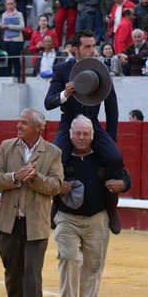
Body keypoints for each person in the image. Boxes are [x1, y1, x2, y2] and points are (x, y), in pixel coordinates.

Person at [0, 108, 62, 297]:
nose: (18, 126)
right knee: (12, 271)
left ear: (38, 127)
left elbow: (57, 186)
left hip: (36, 223)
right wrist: (14, 177)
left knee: (31, 273)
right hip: (9, 222)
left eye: (24, 123)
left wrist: (35, 178)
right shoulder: (6, 146)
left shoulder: (53, 152)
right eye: (18, 122)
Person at [44, 30, 124, 233]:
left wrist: (111, 138)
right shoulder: (62, 69)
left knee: (115, 158)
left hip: (92, 124)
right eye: (87, 46)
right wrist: (65, 93)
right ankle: (56, 202)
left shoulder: (101, 70)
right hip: (68, 122)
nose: (92, 50)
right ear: (74, 49)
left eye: (93, 45)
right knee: (54, 159)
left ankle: (111, 207)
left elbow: (112, 107)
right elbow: (48, 102)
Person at [53, 115, 129, 297]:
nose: (81, 137)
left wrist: (122, 185)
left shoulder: (104, 157)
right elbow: (46, 179)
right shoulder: (63, 157)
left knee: (94, 264)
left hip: (97, 218)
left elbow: (125, 177)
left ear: (92, 136)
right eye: (77, 133)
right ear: (70, 135)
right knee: (68, 257)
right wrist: (56, 187)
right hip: (67, 218)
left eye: (86, 134)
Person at [0, 0, 25, 79]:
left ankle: (17, 77)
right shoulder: (4, 15)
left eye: (11, 4)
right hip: (6, 39)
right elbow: (2, 26)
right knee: (7, 61)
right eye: (8, 4)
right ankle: (8, 78)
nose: (10, 6)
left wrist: (8, 26)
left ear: (15, 5)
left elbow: (22, 27)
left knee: (15, 59)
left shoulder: (19, 14)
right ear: (6, 5)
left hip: (16, 39)